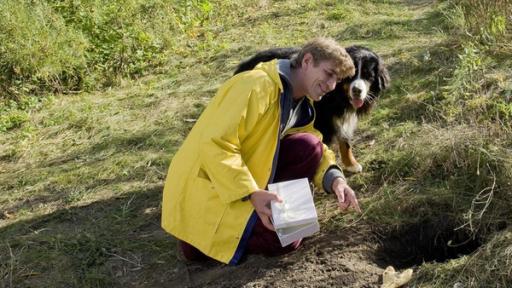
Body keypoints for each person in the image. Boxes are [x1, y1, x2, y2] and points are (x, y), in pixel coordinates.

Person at [161, 37, 361, 265]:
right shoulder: (255, 85)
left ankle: (270, 217)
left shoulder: (299, 101)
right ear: (307, 61)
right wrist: (252, 193)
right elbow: (216, 144)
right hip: (209, 189)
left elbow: (314, 143)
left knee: (308, 146)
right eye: (328, 74)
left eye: (337, 79)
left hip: (240, 180)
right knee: (284, 242)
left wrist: (335, 180)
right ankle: (198, 237)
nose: (332, 85)